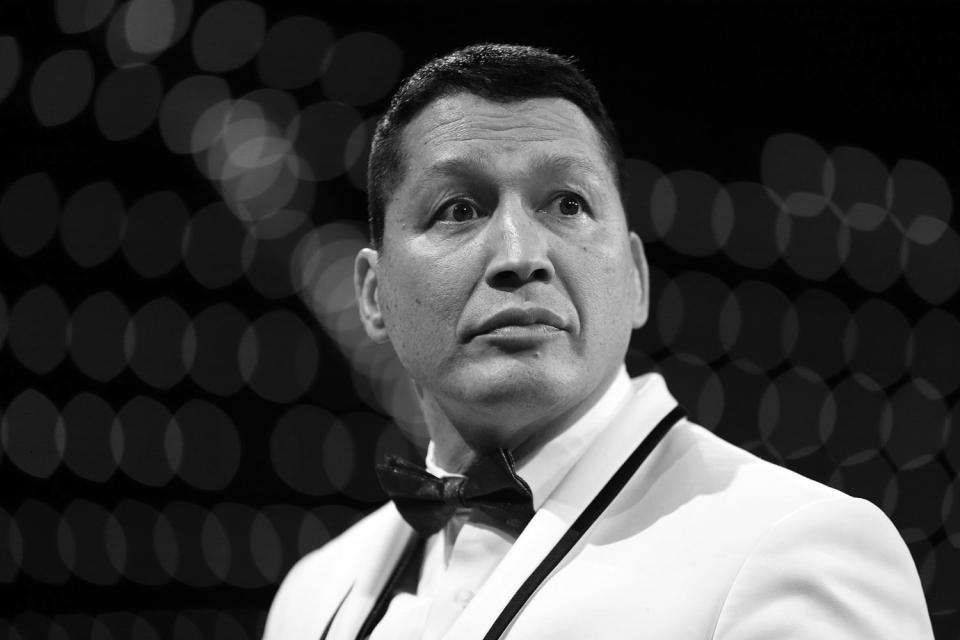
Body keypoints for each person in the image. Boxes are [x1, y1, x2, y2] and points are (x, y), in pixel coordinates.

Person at [264, 44, 933, 640]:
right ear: (373, 295)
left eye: (568, 204)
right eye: (459, 209)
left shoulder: (800, 544)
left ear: (637, 280)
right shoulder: (313, 594)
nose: (519, 256)